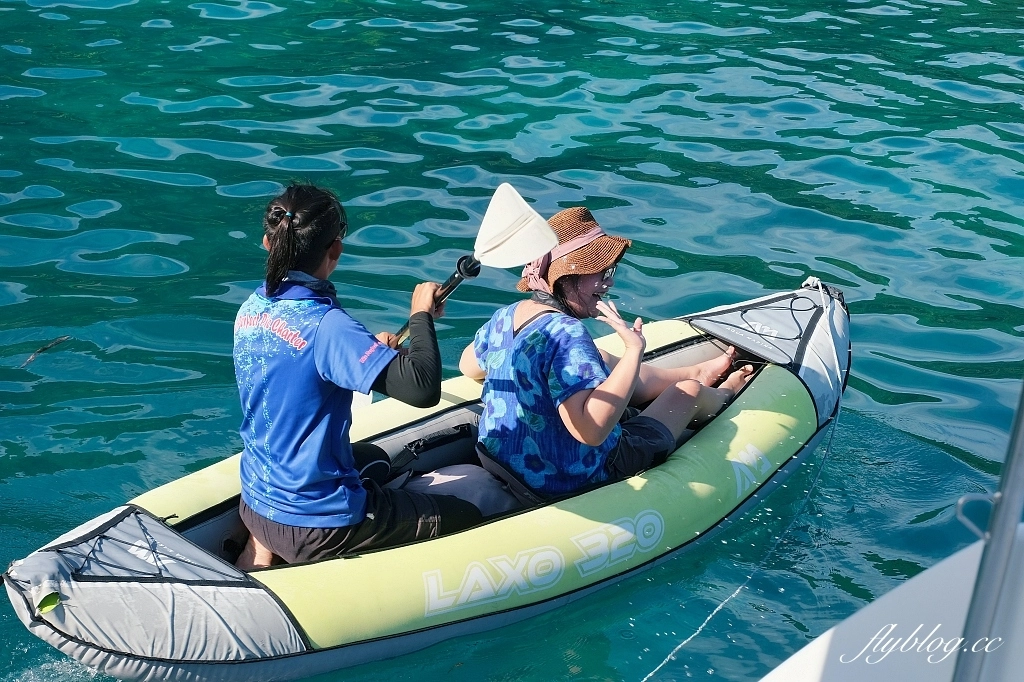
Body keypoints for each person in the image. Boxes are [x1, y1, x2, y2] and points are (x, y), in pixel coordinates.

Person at [233, 183, 482, 569]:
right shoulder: (327, 326)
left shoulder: (252, 308)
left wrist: (374, 355)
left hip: (255, 500)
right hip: (318, 527)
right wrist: (420, 317)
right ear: (335, 249)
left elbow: (303, 375)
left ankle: (260, 546)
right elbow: (422, 389)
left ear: (268, 242)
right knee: (470, 514)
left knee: (374, 459)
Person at [459, 206, 753, 498]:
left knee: (598, 359)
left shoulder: (507, 316)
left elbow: (468, 367)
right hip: (571, 475)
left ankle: (698, 370)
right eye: (601, 270)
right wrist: (634, 349)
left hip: (505, 461)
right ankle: (726, 391)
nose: (609, 281)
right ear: (568, 276)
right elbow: (591, 432)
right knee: (687, 392)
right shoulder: (567, 333)